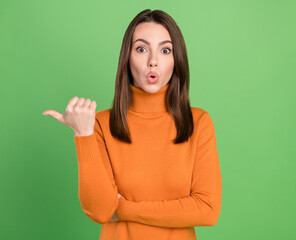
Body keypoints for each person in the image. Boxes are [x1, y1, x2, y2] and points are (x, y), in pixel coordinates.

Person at [43, 9, 222, 240]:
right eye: (141, 49)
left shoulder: (199, 122)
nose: (153, 61)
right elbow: (100, 210)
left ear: (176, 60)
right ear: (127, 58)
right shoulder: (100, 124)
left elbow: (208, 210)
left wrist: (124, 208)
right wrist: (83, 134)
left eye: (165, 50)